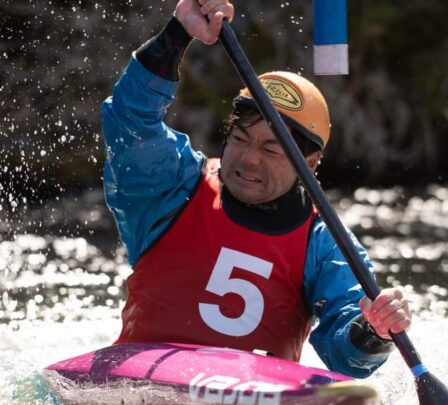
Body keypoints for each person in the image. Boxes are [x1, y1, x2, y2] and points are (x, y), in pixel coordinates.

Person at [100, 0, 411, 378]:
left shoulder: (323, 243)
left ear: (309, 165)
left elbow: (345, 356)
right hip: (140, 388)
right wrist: (178, 34)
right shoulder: (175, 188)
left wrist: (374, 332)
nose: (248, 159)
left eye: (270, 149)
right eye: (241, 139)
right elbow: (129, 118)